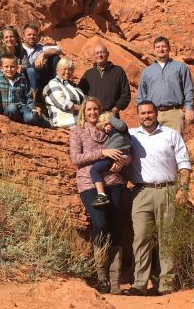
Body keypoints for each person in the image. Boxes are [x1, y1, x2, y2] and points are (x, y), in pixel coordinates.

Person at [125, 100, 192, 297]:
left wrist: (183, 189)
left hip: (167, 190)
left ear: (156, 114)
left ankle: (166, 285)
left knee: (167, 238)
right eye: (142, 113)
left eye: (149, 113)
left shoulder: (171, 134)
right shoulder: (131, 135)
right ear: (138, 115)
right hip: (141, 192)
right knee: (140, 238)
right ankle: (139, 283)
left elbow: (184, 162)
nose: (146, 116)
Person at [69, 96, 129, 294]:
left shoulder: (109, 130)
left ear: (100, 111)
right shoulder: (77, 132)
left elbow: (127, 150)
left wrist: (123, 161)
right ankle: (102, 277)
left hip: (114, 182)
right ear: (83, 113)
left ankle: (114, 282)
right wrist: (104, 153)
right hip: (89, 183)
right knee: (100, 225)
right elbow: (76, 158)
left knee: (115, 227)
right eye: (89, 110)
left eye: (96, 109)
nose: (93, 112)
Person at [136, 36, 194, 134]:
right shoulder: (147, 71)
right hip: (152, 114)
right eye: (158, 47)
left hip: (174, 114)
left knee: (175, 145)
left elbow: (189, 88)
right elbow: (141, 95)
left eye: (164, 46)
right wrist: (140, 114)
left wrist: (189, 108)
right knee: (153, 145)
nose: (161, 49)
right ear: (154, 50)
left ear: (169, 48)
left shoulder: (180, 67)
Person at [0, 54, 47, 127]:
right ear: (1, 68)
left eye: (12, 67)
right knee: (12, 108)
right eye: (6, 66)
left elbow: (28, 96)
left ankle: (34, 119)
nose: (9, 69)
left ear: (17, 67)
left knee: (30, 117)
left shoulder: (22, 79)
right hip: (7, 108)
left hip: (22, 107)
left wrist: (33, 108)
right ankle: (26, 120)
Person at [90, 111, 131, 207]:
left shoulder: (121, 130)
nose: (106, 128)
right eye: (103, 128)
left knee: (94, 169)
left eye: (106, 125)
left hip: (114, 156)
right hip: (116, 158)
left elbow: (122, 125)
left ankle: (101, 195)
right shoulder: (113, 134)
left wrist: (110, 119)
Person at [78, 43, 131, 116]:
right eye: (97, 53)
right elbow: (79, 93)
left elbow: (126, 94)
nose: (99, 55)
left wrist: (116, 108)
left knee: (122, 127)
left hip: (111, 115)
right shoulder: (88, 74)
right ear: (94, 56)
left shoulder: (118, 71)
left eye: (102, 52)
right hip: (92, 116)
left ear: (108, 54)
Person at [43, 58, 86, 128]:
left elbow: (85, 101)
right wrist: (83, 108)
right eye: (64, 69)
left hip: (79, 117)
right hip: (62, 119)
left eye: (70, 69)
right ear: (57, 70)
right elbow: (63, 103)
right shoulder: (53, 83)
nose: (67, 72)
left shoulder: (75, 86)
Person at [21, 24, 62, 93]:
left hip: (39, 80)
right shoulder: (18, 48)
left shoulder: (40, 48)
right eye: (29, 35)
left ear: (37, 36)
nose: (32, 37)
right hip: (22, 79)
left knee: (55, 58)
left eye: (34, 35)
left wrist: (43, 54)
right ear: (23, 36)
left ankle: (57, 87)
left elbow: (58, 49)